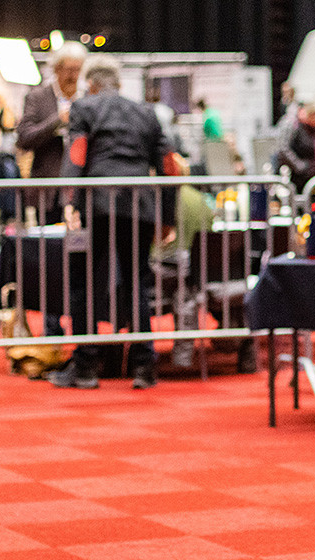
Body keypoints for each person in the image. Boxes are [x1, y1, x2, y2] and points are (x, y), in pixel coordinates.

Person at [47, 55, 188, 390]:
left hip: (96, 204)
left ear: (91, 84)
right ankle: (143, 366)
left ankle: (85, 368)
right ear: (119, 84)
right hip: (140, 206)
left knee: (85, 284)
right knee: (138, 282)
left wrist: (69, 202)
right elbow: (169, 167)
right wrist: (166, 218)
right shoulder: (146, 112)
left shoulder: (84, 108)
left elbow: (76, 157)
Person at [15, 41, 87, 224]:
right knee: (48, 247)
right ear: (56, 68)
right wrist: (57, 121)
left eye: (77, 69)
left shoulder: (87, 98)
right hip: (48, 190)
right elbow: (24, 138)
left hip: (81, 188)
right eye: (69, 69)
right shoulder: (37, 97)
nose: (73, 75)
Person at [276, 95, 315, 193]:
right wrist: (300, 166)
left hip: (311, 177)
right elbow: (283, 148)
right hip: (292, 176)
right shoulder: (291, 123)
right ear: (314, 114)